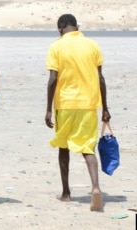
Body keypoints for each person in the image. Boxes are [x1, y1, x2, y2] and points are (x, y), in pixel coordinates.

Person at [44, 14, 111, 211]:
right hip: (89, 104)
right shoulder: (92, 45)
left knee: (64, 147)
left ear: (60, 29)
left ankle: (66, 193)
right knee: (87, 148)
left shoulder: (56, 46)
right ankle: (96, 188)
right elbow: (101, 79)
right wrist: (105, 108)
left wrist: (48, 108)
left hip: (65, 104)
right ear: (77, 26)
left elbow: (53, 79)